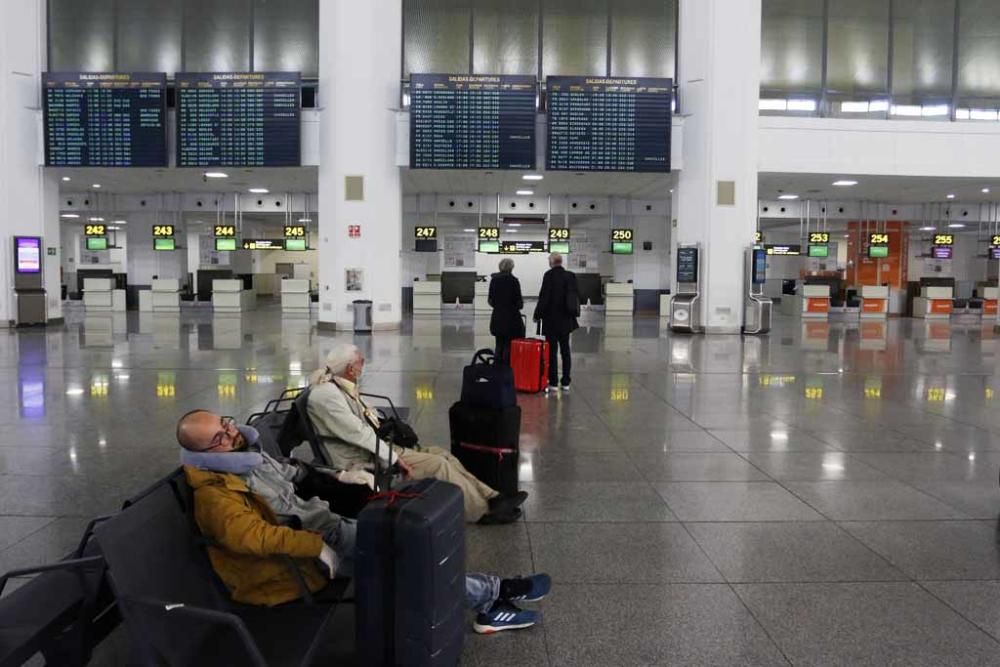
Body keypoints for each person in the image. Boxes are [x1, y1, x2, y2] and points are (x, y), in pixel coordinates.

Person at [176, 410, 550, 633]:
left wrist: (332, 477)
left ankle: (493, 595)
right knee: (412, 563)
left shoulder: (249, 459)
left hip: (327, 525)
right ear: (203, 453)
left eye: (226, 424)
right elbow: (250, 538)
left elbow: (293, 473)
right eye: (220, 438)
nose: (231, 433)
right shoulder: (214, 493)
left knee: (411, 555)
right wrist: (316, 547)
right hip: (301, 557)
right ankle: (494, 597)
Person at [307, 344, 526, 524]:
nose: (363, 365)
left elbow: (365, 422)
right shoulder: (326, 396)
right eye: (360, 362)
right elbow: (359, 434)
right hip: (365, 456)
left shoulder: (341, 386)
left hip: (377, 446)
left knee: (443, 454)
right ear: (349, 368)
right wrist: (395, 459)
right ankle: (482, 512)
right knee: (438, 464)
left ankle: (493, 496)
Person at [533, 252, 580, 392]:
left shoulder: (549, 275)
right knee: (565, 350)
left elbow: (544, 298)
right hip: (566, 320)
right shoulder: (570, 276)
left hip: (551, 320)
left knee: (552, 351)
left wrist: (537, 315)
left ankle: (553, 382)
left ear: (552, 262)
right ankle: (566, 382)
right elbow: (577, 296)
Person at [488, 258, 524, 365]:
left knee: (499, 344)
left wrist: (499, 306)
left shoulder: (494, 280)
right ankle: (506, 370)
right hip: (511, 318)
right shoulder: (514, 281)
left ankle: (497, 369)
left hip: (498, 317)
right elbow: (519, 303)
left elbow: (490, 300)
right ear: (511, 268)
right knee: (509, 345)